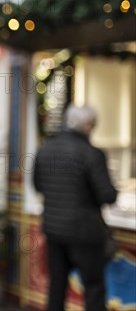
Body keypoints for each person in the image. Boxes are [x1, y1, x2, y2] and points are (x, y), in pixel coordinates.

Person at [34, 103, 117, 311]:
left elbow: (37, 185)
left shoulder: (46, 148)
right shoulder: (91, 153)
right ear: (88, 125)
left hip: (54, 229)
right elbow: (107, 194)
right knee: (94, 288)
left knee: (57, 286)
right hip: (84, 232)